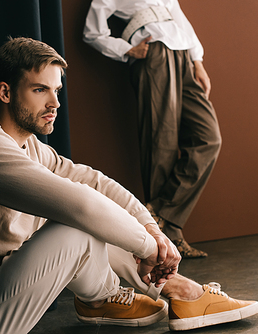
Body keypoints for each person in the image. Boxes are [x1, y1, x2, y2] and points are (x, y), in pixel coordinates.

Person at [0, 36, 258, 333]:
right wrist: (149, 249)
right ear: (5, 92)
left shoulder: (35, 148)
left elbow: (96, 182)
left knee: (93, 214)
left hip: (12, 282)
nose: (55, 103)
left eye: (57, 90)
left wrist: (151, 228)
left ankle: (108, 299)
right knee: (76, 224)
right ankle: (173, 291)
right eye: (40, 90)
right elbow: (82, 204)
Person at [83, 0, 222, 258]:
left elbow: (179, 18)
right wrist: (126, 50)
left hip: (183, 55)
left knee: (209, 138)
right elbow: (92, 32)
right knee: (162, 141)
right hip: (153, 53)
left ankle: (157, 211)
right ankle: (169, 239)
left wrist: (198, 61)